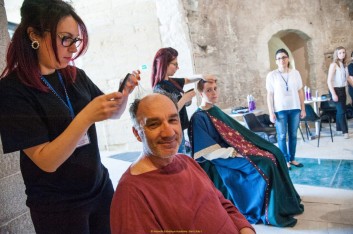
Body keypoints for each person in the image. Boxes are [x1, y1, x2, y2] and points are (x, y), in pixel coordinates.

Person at [0, 0, 139, 233]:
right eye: (65, 39)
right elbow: (47, 161)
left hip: (99, 187)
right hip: (58, 206)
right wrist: (85, 117)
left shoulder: (74, 75)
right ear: (34, 35)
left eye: (76, 40)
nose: (73, 48)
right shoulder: (12, 90)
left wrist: (123, 95)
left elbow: (113, 113)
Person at [110, 93, 256, 234]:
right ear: (137, 133)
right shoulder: (131, 193)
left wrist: (245, 229)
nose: (169, 133)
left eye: (173, 120)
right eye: (154, 124)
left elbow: (221, 202)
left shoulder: (187, 162)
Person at [188, 76, 304, 227]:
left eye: (215, 89)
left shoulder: (215, 110)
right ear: (201, 93)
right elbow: (206, 152)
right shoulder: (198, 117)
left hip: (232, 150)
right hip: (220, 158)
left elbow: (235, 133)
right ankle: (267, 210)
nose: (214, 93)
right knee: (265, 164)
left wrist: (247, 146)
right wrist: (232, 152)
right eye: (208, 90)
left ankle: (282, 202)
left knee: (275, 153)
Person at [151, 47, 202, 153]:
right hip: (172, 131)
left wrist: (202, 77)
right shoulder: (159, 88)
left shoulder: (171, 81)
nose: (177, 67)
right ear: (164, 64)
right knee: (178, 158)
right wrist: (184, 99)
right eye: (175, 64)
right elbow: (167, 114)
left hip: (179, 128)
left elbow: (187, 80)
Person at [266, 48, 306, 169]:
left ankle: (292, 158)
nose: (281, 60)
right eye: (279, 58)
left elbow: (300, 91)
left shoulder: (295, 73)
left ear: (288, 59)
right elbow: (270, 94)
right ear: (276, 61)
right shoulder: (272, 75)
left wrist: (303, 108)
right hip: (280, 110)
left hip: (295, 108)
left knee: (293, 135)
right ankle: (285, 160)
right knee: (282, 135)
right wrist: (271, 112)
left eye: (284, 57)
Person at [327, 46, 350, 139]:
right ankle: (345, 132)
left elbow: (348, 78)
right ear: (336, 54)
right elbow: (328, 81)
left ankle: (339, 129)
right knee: (342, 111)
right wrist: (333, 94)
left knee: (340, 110)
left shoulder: (344, 65)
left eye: (343, 52)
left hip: (342, 89)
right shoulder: (333, 65)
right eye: (340, 53)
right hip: (335, 89)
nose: (342, 54)